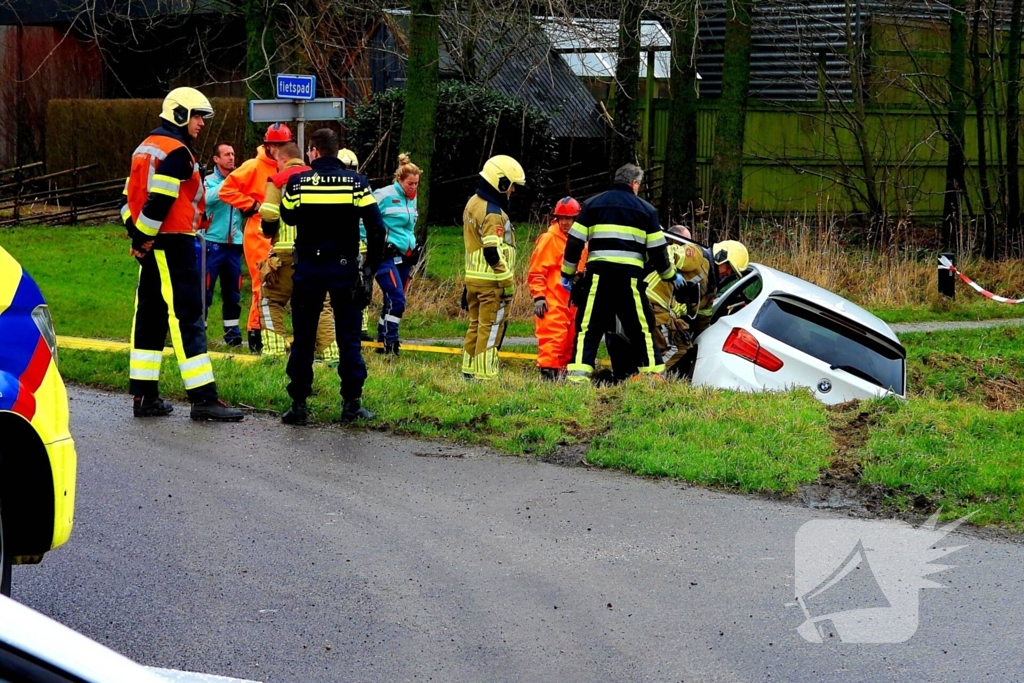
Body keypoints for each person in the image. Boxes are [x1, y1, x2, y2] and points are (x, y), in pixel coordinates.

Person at [120, 86, 244, 421]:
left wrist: (138, 236)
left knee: (150, 315)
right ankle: (203, 399)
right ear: (178, 114)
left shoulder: (144, 149)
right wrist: (146, 236)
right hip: (173, 243)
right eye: (197, 116)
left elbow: (127, 201)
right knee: (188, 316)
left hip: (153, 244)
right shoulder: (176, 152)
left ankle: (144, 397)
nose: (201, 123)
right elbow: (160, 200)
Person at [278, 128, 386, 425]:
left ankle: (298, 404)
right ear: (336, 152)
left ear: (312, 151)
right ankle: (351, 404)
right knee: (349, 338)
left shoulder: (298, 182)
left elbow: (286, 217)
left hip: (308, 271)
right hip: (344, 269)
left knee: (303, 338)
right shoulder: (356, 183)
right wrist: (369, 269)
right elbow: (377, 228)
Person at [561, 163, 680, 384]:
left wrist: (567, 273)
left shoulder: (592, 205)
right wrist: (669, 275)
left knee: (588, 327)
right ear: (634, 183)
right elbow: (658, 252)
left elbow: (575, 242)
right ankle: (653, 375)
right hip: (630, 280)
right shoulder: (646, 210)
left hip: (598, 277)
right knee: (641, 328)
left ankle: (577, 378)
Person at [258, 142, 341, 364]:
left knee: (271, 301)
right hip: (318, 253)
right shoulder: (318, 177)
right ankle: (332, 354)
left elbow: (269, 215)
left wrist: (268, 232)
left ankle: (274, 351)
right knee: (321, 304)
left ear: (283, 160)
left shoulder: (278, 181)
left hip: (286, 254)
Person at [219, 122, 293, 353]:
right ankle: (255, 333)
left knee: (277, 285)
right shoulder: (253, 166)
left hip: (281, 233)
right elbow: (226, 190)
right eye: (276, 145)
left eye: (283, 144)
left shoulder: (288, 168)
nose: (279, 149)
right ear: (268, 145)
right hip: (258, 231)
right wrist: (252, 205)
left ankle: (266, 333)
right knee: (263, 282)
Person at [461, 155, 526, 380]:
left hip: (473, 279)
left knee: (475, 324)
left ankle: (468, 371)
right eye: (511, 185)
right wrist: (507, 281)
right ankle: (486, 376)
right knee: (491, 329)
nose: (512, 191)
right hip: (492, 282)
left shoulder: (472, 203)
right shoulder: (493, 213)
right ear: (500, 182)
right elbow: (491, 251)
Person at [527, 196, 586, 380]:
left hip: (572, 301)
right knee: (553, 337)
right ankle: (548, 375)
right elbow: (537, 271)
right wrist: (539, 297)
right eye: (561, 218)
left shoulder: (581, 242)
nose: (565, 222)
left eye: (568, 218)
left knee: (569, 340)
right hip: (553, 299)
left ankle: (561, 375)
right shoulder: (549, 239)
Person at [372, 153, 421, 356]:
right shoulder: (383, 195)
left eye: (417, 184)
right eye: (410, 183)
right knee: (397, 299)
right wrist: (375, 244)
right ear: (399, 180)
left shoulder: (413, 199)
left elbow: (407, 228)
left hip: (404, 256)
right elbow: (362, 220)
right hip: (384, 257)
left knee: (391, 300)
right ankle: (391, 342)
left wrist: (414, 246)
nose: (414, 188)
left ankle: (382, 339)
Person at [202, 141, 244, 346]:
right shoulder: (208, 181)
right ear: (216, 159)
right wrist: (231, 183)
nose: (231, 158)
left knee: (233, 293)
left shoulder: (240, 181)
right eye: (226, 154)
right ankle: (200, 330)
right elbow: (207, 199)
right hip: (211, 243)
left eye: (233, 154)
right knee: (205, 290)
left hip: (234, 244)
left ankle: (233, 334)